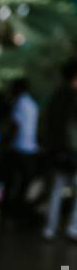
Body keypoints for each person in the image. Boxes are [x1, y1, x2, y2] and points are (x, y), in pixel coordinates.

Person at [41, 59, 77, 241]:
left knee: (56, 189)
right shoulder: (71, 97)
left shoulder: (56, 96)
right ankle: (72, 228)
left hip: (58, 150)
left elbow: (48, 123)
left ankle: (50, 228)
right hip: (70, 151)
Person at [0, 78, 39, 220]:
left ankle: (8, 209)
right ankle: (17, 208)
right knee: (24, 182)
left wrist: (6, 142)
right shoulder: (32, 104)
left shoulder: (19, 103)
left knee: (10, 180)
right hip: (30, 148)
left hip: (18, 147)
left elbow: (15, 125)